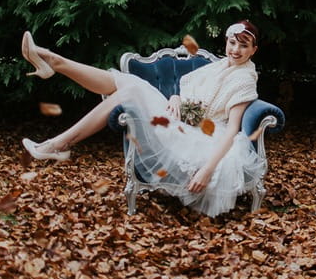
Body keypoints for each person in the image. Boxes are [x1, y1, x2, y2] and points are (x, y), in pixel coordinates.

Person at [21, 20, 266, 217]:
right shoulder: (221, 65)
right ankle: (54, 63)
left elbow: (233, 129)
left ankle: (58, 138)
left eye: (244, 46)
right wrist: (177, 99)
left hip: (201, 139)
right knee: (128, 84)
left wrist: (206, 169)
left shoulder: (243, 78)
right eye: (232, 42)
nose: (235, 50)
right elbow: (190, 94)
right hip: (181, 121)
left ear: (254, 50)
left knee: (130, 89)